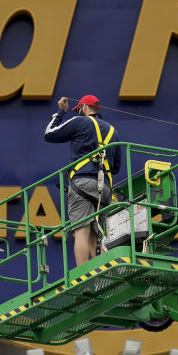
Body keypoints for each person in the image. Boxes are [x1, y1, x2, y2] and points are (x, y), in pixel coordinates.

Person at [43, 94, 121, 266]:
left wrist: (60, 112)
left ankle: (84, 278)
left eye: (78, 109)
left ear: (84, 107)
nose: (78, 112)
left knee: (81, 231)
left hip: (83, 184)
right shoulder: (113, 131)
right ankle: (103, 278)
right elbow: (116, 167)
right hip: (105, 188)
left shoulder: (80, 122)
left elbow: (49, 134)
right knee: (98, 235)